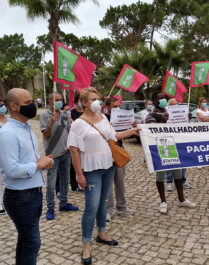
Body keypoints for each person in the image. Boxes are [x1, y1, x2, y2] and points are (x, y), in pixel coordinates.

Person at [67, 87, 140, 265]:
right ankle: (86, 244)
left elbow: (113, 136)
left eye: (98, 98)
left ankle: (101, 232)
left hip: (108, 166)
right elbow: (74, 151)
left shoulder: (103, 118)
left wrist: (131, 131)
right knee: (90, 207)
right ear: (84, 102)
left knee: (102, 202)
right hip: (90, 170)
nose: (96, 102)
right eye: (92, 99)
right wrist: (79, 174)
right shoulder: (78, 123)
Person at [0, 88, 54, 265]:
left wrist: (43, 163)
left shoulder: (26, 128)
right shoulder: (7, 134)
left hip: (33, 193)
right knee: (32, 242)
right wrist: (38, 165)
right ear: (13, 106)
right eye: (27, 103)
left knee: (25, 240)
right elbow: (12, 170)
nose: (33, 106)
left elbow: (29, 160)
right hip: (20, 196)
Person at [145, 91, 196, 214]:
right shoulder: (151, 115)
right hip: (160, 148)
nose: (163, 100)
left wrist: (186, 119)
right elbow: (151, 132)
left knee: (177, 173)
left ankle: (181, 199)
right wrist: (162, 122)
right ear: (155, 101)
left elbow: (180, 127)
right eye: (160, 98)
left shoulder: (171, 111)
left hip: (174, 145)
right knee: (160, 176)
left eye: (164, 98)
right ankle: (163, 201)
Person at [40, 92, 78, 221]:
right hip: (52, 155)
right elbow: (45, 135)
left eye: (61, 100)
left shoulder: (64, 114)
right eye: (56, 100)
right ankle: (50, 207)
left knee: (65, 180)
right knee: (51, 183)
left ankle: (63, 203)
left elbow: (69, 131)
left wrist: (70, 146)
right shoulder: (44, 115)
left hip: (65, 153)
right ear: (50, 102)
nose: (59, 102)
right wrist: (51, 123)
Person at [103, 97, 136, 222]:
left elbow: (124, 135)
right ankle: (107, 210)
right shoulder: (103, 119)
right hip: (106, 153)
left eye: (118, 106)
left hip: (119, 151)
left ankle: (121, 206)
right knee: (108, 183)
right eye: (114, 106)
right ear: (107, 107)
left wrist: (132, 127)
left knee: (120, 181)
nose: (117, 108)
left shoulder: (121, 117)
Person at [165, 98, 193, 191]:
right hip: (170, 139)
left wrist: (188, 118)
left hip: (181, 139)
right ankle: (169, 182)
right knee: (170, 161)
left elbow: (187, 125)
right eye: (174, 104)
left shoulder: (183, 111)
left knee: (183, 161)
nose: (176, 106)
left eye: (177, 104)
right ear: (169, 106)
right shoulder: (166, 113)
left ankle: (182, 181)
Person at [69, 94, 85, 193]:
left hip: (85, 142)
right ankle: (74, 185)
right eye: (79, 100)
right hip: (75, 142)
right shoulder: (72, 113)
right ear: (75, 102)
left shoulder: (86, 113)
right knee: (73, 165)